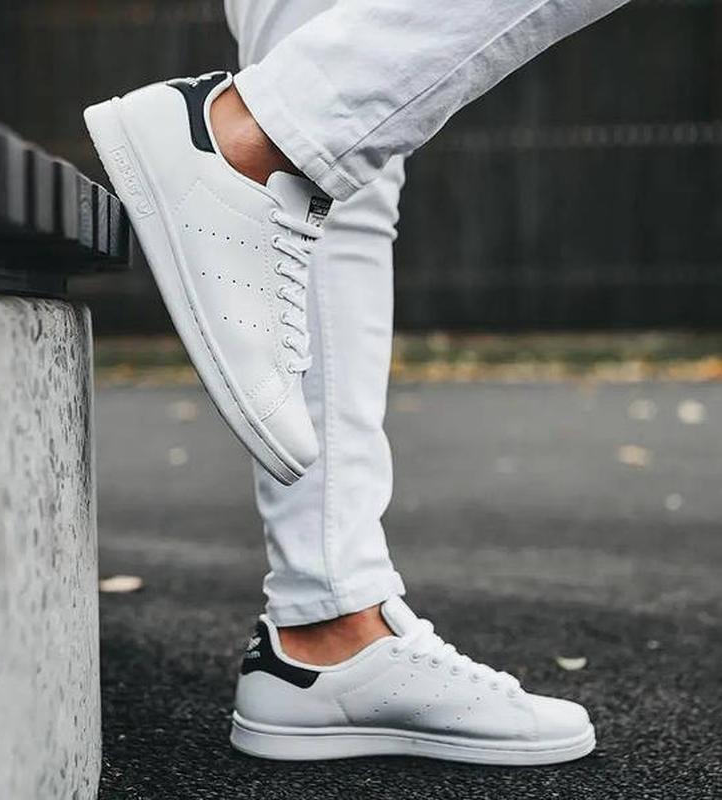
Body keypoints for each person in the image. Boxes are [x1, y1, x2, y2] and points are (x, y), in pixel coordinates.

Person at [85, 0, 629, 765]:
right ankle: (247, 138)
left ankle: (328, 625)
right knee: (320, 132)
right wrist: (286, 123)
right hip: (252, 132)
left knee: (336, 161)